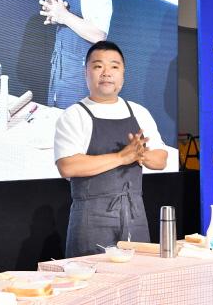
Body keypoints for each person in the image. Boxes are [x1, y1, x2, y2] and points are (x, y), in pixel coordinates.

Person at [54, 41, 167, 257]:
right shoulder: (74, 115)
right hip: (91, 219)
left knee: (140, 273)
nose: (106, 73)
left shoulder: (139, 112)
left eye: (114, 66)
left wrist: (140, 154)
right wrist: (122, 157)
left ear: (123, 74)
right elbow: (67, 166)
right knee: (92, 274)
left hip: (134, 216)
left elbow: (161, 159)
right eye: (98, 66)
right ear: (86, 72)